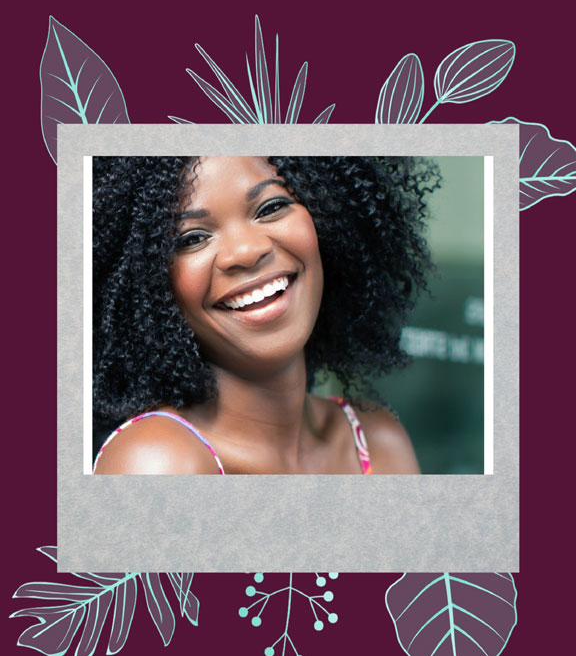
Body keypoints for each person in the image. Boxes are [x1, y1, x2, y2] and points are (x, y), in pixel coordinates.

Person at [93, 154, 439, 474]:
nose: (245, 251)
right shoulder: (158, 462)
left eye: (271, 207)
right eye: (192, 238)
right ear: (145, 282)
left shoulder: (377, 440)